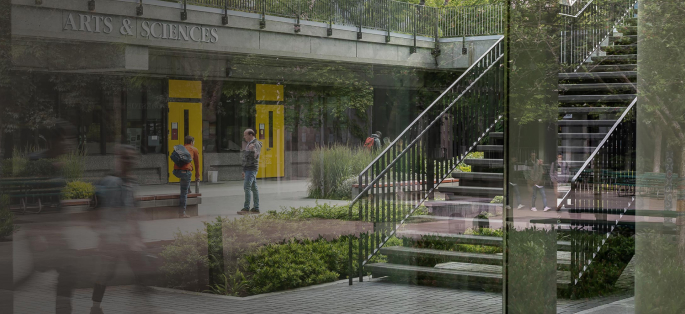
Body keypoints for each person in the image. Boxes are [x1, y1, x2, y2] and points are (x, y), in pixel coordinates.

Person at [90, 145, 152, 314]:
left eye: (132, 158)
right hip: (112, 237)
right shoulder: (109, 181)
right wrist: (104, 233)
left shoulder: (131, 182)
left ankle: (144, 306)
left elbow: (132, 210)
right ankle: (95, 307)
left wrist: (137, 234)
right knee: (106, 273)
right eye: (126, 157)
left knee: (140, 269)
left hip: (127, 238)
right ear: (118, 159)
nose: (129, 161)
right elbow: (96, 208)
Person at [172, 135, 200, 218]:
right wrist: (197, 176)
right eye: (193, 142)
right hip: (185, 172)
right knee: (183, 193)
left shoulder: (180, 149)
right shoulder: (194, 149)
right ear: (191, 142)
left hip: (176, 172)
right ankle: (182, 213)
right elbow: (197, 164)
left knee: (185, 183)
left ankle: (188, 189)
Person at [238, 129, 262, 215]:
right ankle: (256, 208)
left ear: (251, 135)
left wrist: (253, 150)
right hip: (248, 169)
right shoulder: (249, 143)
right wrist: (244, 170)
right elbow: (246, 158)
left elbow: (256, 156)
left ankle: (246, 207)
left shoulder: (256, 143)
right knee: (254, 188)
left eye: (245, 135)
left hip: (251, 169)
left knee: (247, 187)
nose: (244, 137)